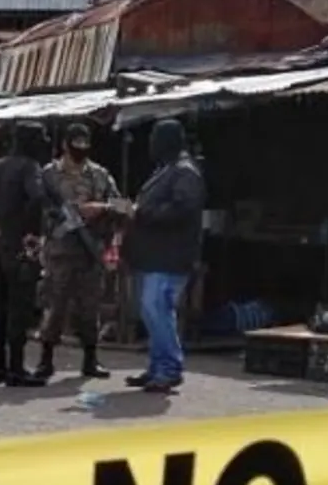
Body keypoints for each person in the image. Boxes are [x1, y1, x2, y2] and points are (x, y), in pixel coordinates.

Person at [0, 121, 61, 387]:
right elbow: (35, 197)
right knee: (19, 308)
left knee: (0, 307)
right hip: (22, 247)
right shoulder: (30, 167)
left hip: (0, 244)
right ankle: (15, 369)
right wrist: (31, 230)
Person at [122, 119, 206, 394]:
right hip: (154, 256)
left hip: (170, 257)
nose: (151, 145)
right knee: (152, 311)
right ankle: (157, 368)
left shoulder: (185, 171)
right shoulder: (167, 169)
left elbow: (183, 209)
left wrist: (142, 213)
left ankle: (169, 369)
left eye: (156, 139)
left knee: (158, 310)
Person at [36, 123, 121, 380]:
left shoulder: (100, 175)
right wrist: (55, 217)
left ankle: (90, 360)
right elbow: (36, 206)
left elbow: (123, 205)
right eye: (76, 145)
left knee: (90, 308)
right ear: (65, 145)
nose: (80, 150)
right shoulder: (49, 175)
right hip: (59, 252)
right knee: (55, 307)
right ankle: (46, 361)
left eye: (85, 145)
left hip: (90, 251)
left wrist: (102, 207)